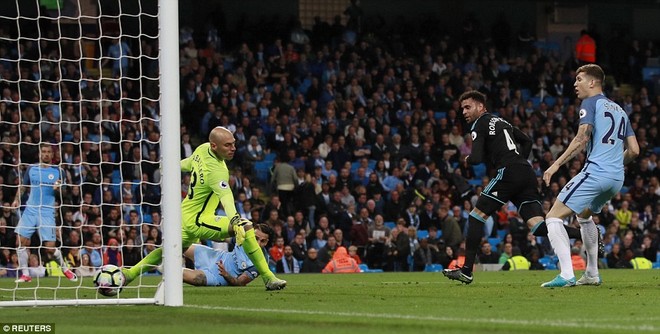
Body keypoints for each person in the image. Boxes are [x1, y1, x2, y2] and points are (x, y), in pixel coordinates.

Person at [442, 91, 581, 285]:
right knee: (538, 227)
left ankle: (466, 271)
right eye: (462, 108)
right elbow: (527, 141)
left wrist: (466, 159)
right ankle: (584, 233)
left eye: (468, 107)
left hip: (508, 172)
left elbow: (476, 158)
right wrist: (519, 161)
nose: (464, 111)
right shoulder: (502, 122)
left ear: (481, 107)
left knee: (475, 217)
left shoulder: (479, 124)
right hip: (527, 173)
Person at [123, 127, 286, 290]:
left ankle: (130, 274)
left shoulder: (202, 149)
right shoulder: (217, 171)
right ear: (214, 146)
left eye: (234, 144)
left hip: (184, 214)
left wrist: (171, 166)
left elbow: (189, 163)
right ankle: (268, 277)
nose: (233, 148)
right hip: (200, 220)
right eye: (227, 145)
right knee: (246, 226)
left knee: (167, 249)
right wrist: (235, 220)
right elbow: (226, 198)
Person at [541, 64, 639, 287]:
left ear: (592, 82)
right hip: (616, 179)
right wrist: (615, 164)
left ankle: (566, 274)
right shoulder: (621, 111)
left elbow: (582, 136)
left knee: (553, 216)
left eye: (579, 79)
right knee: (584, 216)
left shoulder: (590, 103)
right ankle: (592, 273)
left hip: (596, 172)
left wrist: (555, 165)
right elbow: (634, 150)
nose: (575, 84)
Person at [13, 144, 77, 283]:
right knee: (20, 241)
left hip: (47, 212)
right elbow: (24, 186)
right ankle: (25, 274)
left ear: (52, 155)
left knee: (49, 249)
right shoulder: (31, 168)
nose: (46, 154)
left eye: (49, 152)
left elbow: (65, 193)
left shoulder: (58, 171)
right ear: (40, 154)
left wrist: (58, 188)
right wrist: (16, 200)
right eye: (44, 152)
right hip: (30, 209)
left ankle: (65, 269)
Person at [183, 224, 273, 286]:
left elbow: (240, 283)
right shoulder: (242, 239)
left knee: (181, 275)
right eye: (255, 238)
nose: (257, 243)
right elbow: (223, 238)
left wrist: (226, 274)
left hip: (217, 277)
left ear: (266, 242)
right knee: (177, 246)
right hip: (215, 256)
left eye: (262, 241)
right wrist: (203, 233)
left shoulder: (262, 262)